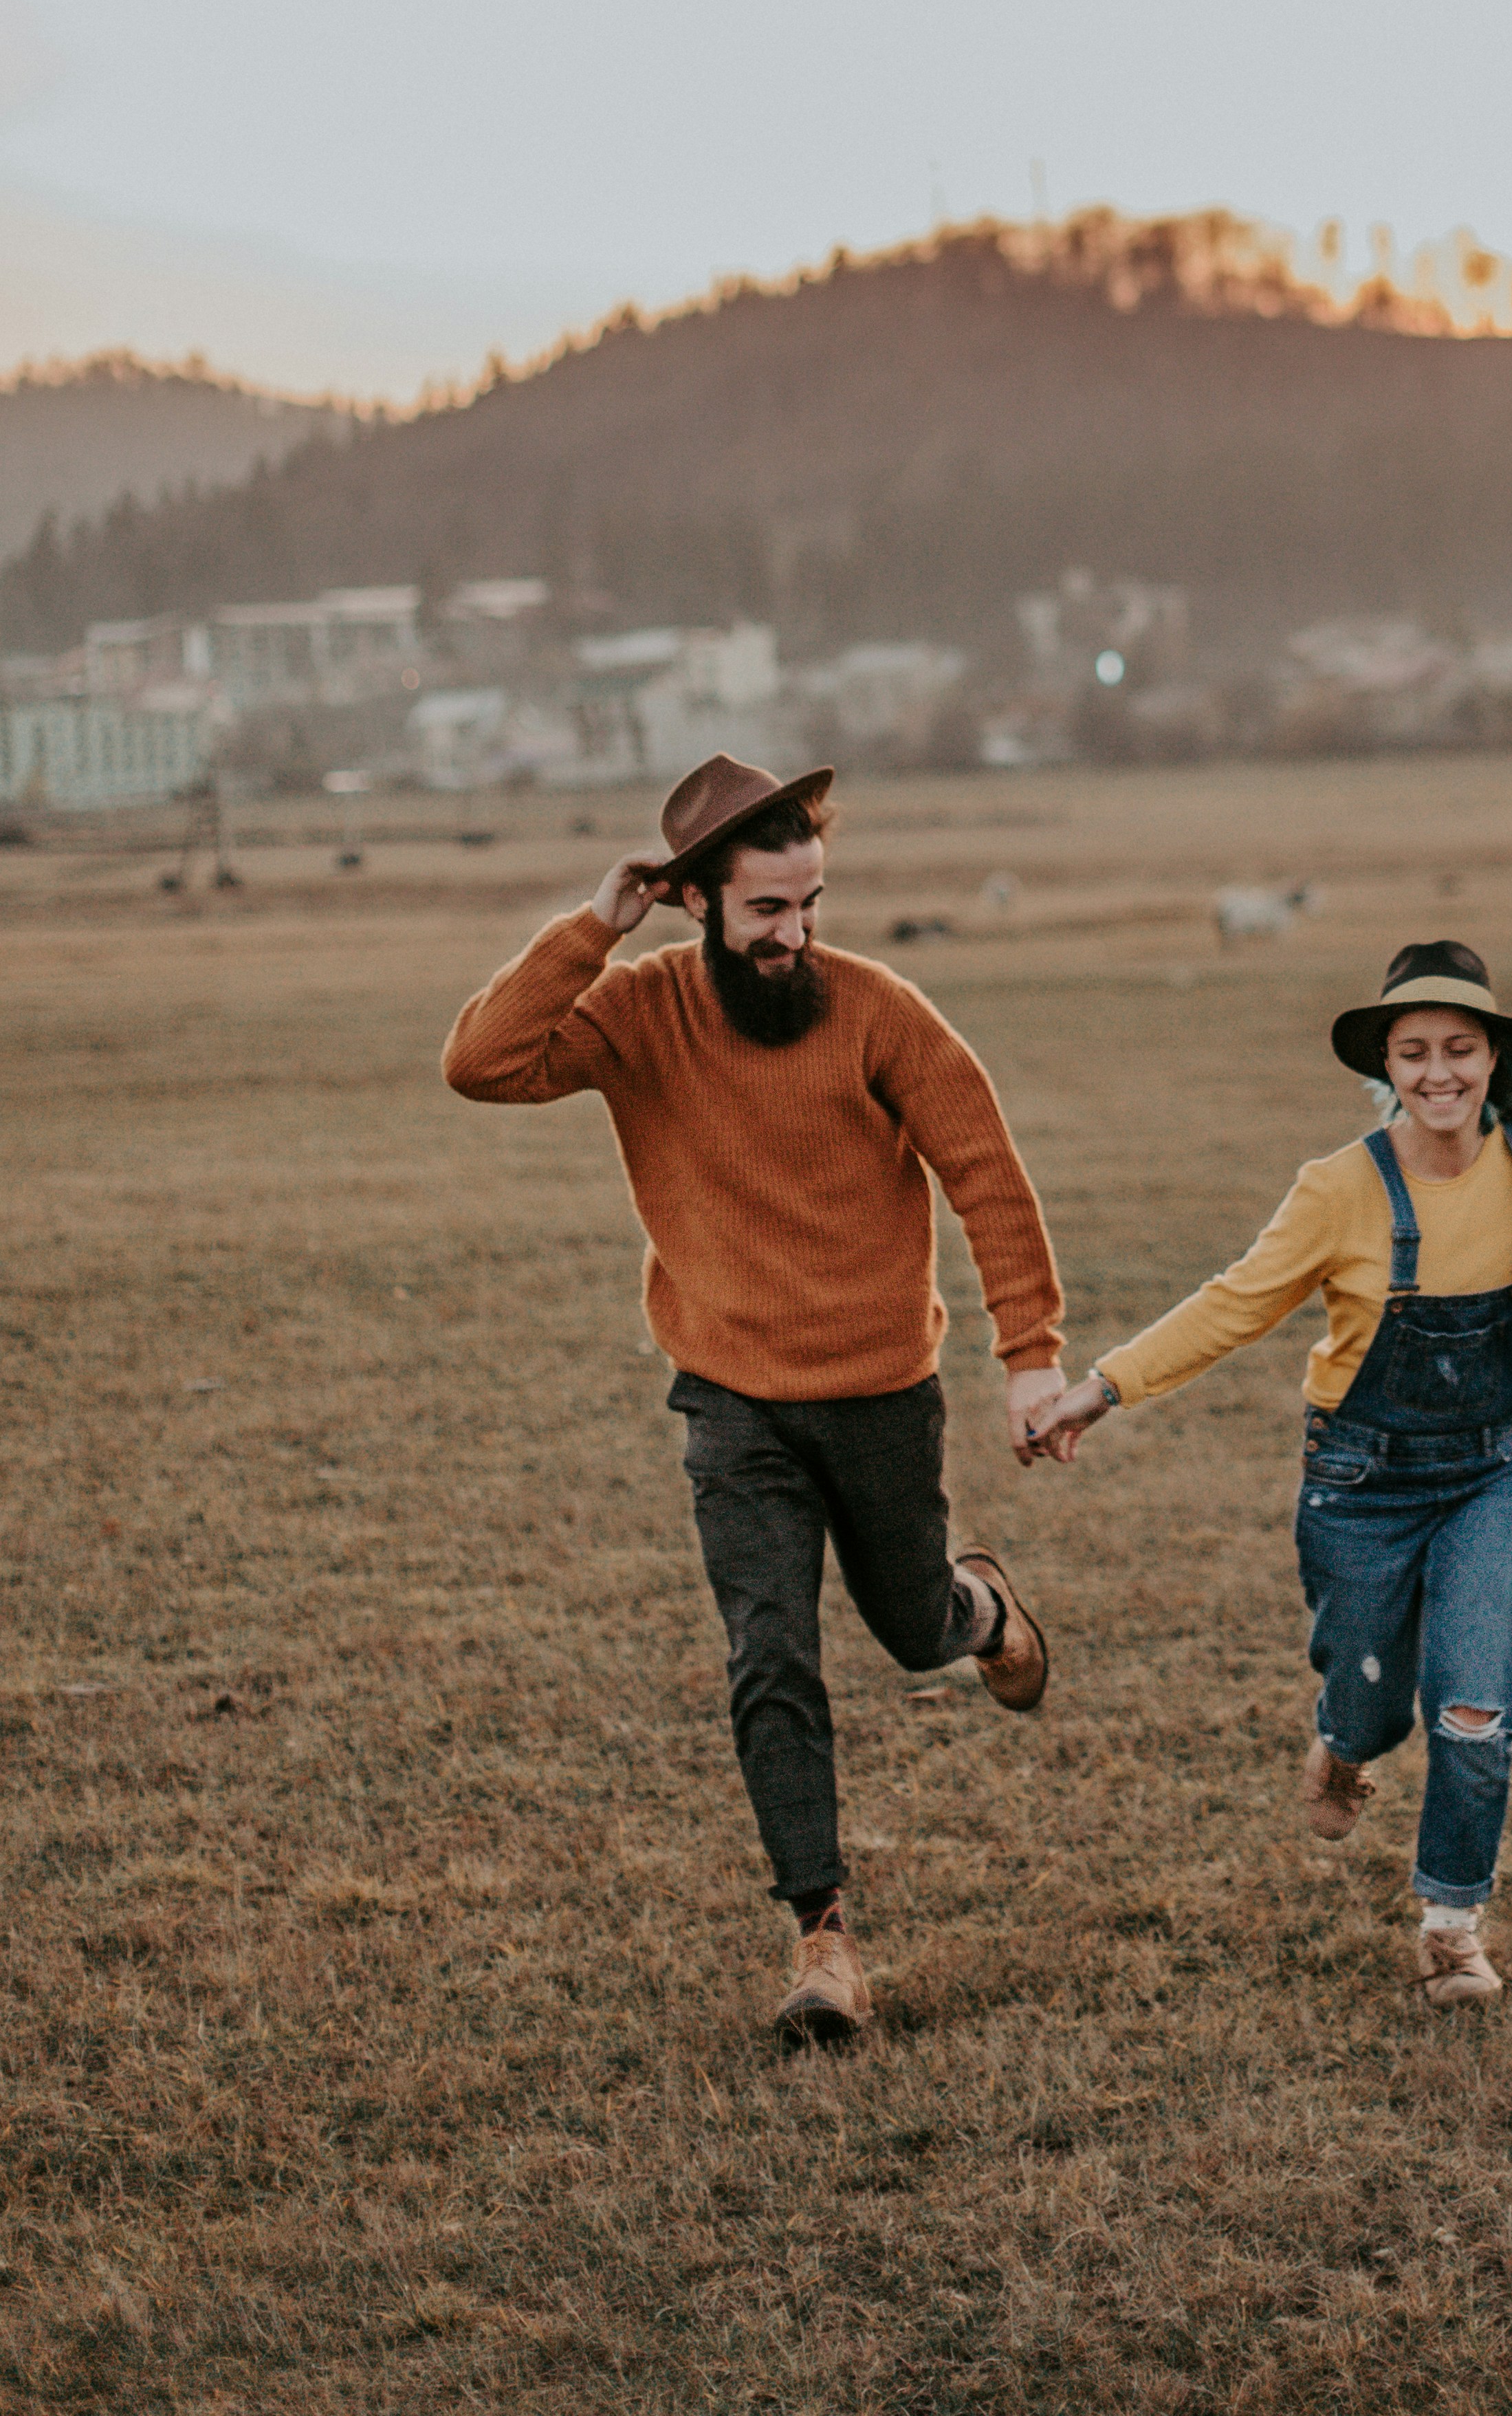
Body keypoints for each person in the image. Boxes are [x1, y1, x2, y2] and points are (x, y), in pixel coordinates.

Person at [442, 750, 1066, 2049]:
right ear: (696, 904)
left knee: (908, 1628)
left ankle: (981, 1605)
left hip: (882, 1390)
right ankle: (824, 1937)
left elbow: (987, 1175)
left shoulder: (880, 1011)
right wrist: (590, 927)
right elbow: (481, 1064)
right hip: (730, 1396)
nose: (796, 936)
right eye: (768, 910)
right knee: (769, 1651)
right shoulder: (636, 1011)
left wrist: (1031, 1355)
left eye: (811, 904)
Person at [1031, 937, 1512, 2007]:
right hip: (1361, 1483)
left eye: (1461, 1050)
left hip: (1499, 1472)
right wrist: (1102, 1389)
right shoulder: (1338, 1189)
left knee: (1474, 1709)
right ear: (1388, 1064)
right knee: (1375, 1705)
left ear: (1492, 1059)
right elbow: (1235, 1303)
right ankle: (1343, 1742)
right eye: (1415, 1052)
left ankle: (1450, 1925)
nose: (1440, 1074)